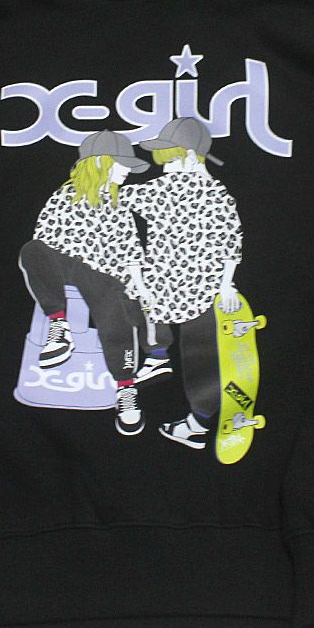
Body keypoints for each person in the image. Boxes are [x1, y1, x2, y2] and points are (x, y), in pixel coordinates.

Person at [18, 130, 155, 435]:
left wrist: (139, 286)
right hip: (67, 269)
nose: (127, 171)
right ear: (101, 162)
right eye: (121, 163)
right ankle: (59, 326)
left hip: (107, 280)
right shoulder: (63, 197)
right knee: (32, 250)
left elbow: (131, 252)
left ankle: (126, 388)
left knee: (116, 305)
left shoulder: (119, 205)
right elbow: (44, 243)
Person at [119, 116, 243, 450]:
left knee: (130, 286)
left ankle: (158, 356)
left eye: (169, 160)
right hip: (202, 290)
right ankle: (197, 424)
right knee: (201, 360)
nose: (165, 168)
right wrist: (226, 284)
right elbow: (232, 242)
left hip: (171, 286)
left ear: (188, 156)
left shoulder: (168, 188)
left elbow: (122, 198)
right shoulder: (219, 193)